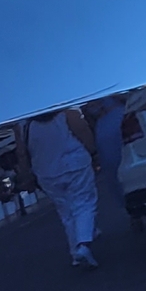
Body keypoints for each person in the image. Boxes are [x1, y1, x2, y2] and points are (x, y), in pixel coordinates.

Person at [25, 107, 103, 269]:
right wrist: (94, 153)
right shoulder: (67, 112)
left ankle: (75, 251)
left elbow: (22, 152)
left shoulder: (24, 125)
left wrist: (27, 174)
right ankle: (83, 244)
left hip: (46, 172)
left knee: (65, 211)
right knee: (84, 202)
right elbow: (83, 131)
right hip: (75, 164)